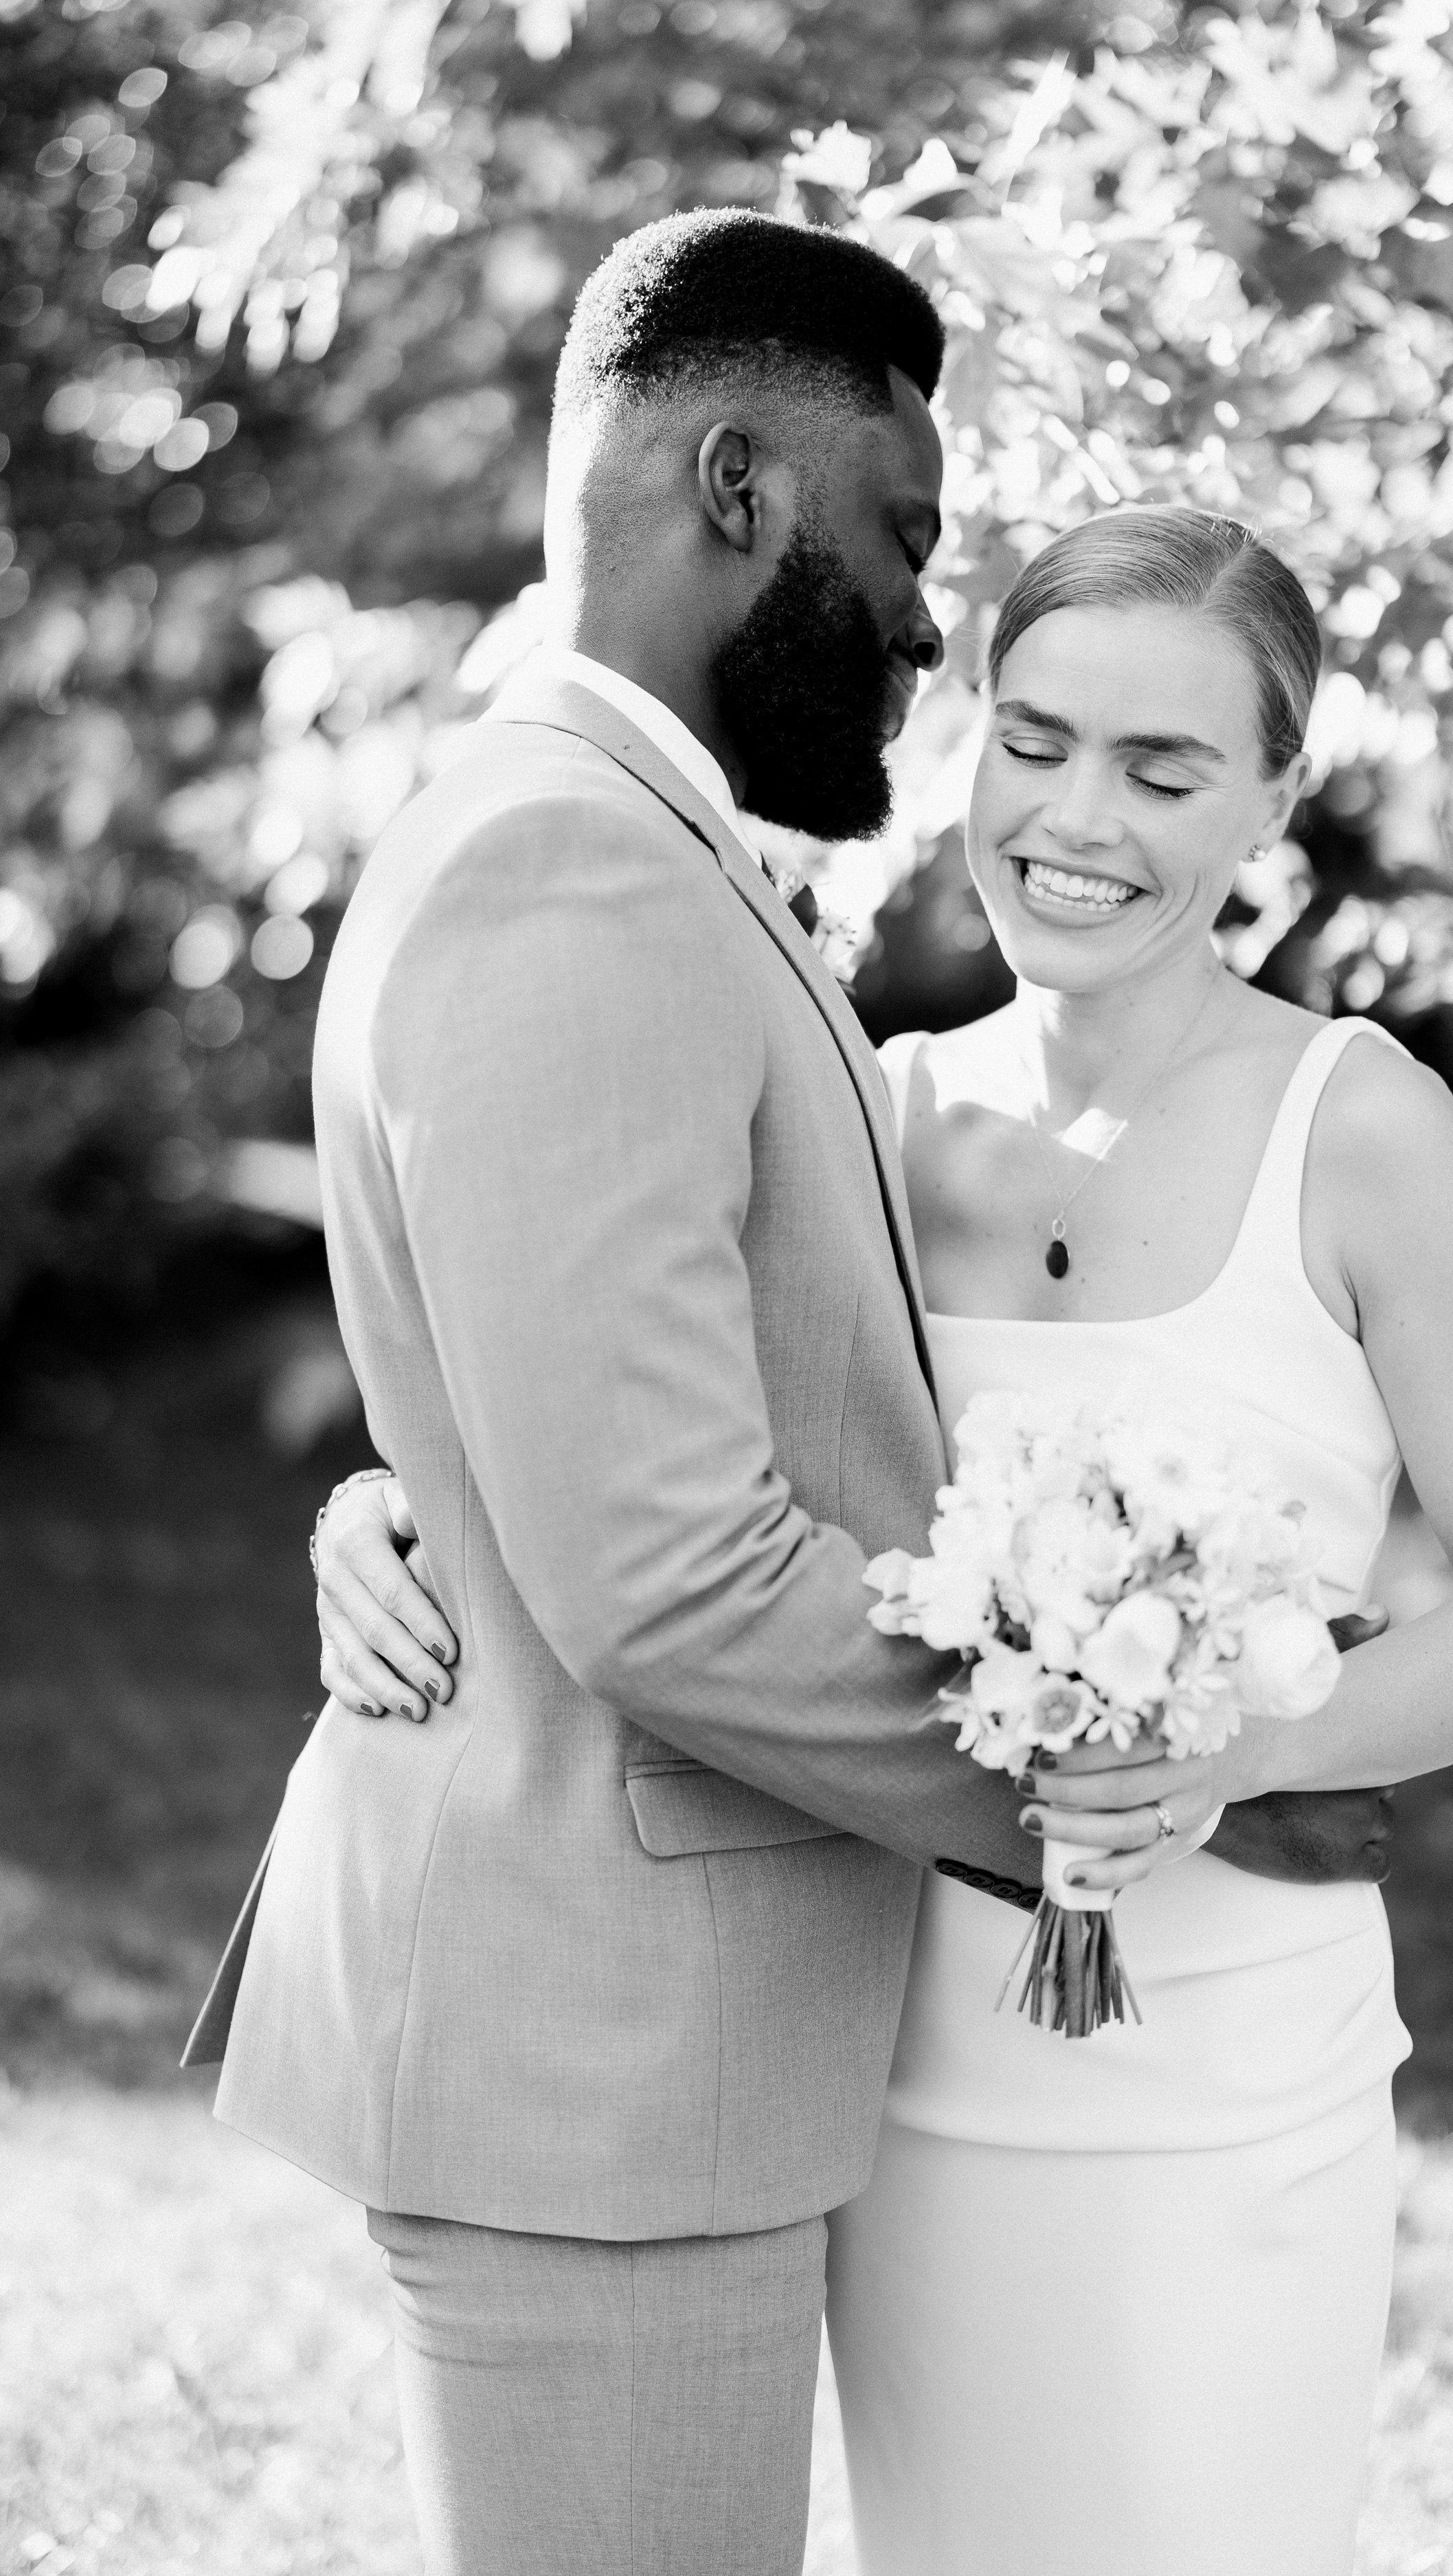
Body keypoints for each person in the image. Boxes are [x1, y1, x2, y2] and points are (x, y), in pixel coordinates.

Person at [185, 217, 1390, 2576]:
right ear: (737, 484)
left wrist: (415, 1490)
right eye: (904, 533)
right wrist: (1110, 1787)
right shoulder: (573, 872)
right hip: (596, 2066)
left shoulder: (592, 840)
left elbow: (612, 1391)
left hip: (660, 2050)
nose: (935, 623)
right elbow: (657, 1570)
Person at [317, 504, 1453, 2573]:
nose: (1074, 817)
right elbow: (615, 1429)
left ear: (1276, 799)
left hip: (1226, 2080)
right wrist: (391, 1513)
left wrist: (1229, 1756)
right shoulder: (878, 1113)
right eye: (1033, 740)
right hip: (892, 2049)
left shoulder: (1358, 1129)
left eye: (1163, 768)